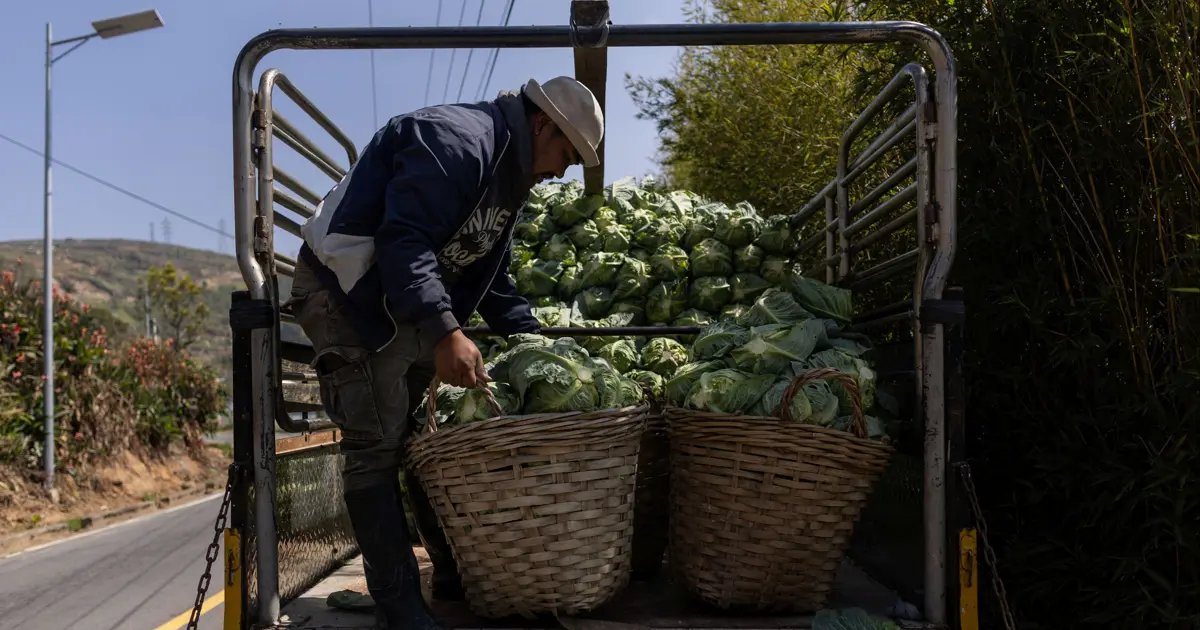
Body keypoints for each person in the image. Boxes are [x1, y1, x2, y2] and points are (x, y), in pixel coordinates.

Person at [284, 76, 604, 629]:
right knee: (375, 446)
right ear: (542, 124)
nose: (560, 172)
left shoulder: (509, 176)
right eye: (566, 156)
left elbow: (488, 273)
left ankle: (452, 572)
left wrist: (534, 341)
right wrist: (445, 332)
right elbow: (403, 241)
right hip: (346, 290)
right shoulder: (457, 142)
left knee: (417, 441)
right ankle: (399, 607)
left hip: (396, 294)